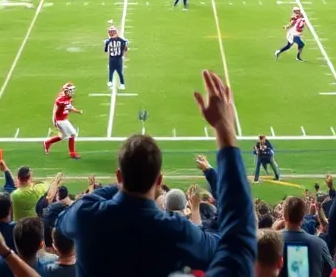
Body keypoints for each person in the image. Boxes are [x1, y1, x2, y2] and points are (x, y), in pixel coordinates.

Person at [57, 70, 256, 277]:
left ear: (119, 177)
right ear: (159, 181)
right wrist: (224, 129)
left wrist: (116, 188)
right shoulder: (177, 231)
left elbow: (63, 222)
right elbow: (236, 246)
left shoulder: (87, 215)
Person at [104, 24, 128, 90]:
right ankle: (110, 81)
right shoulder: (108, 41)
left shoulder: (121, 40)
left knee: (119, 72)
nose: (111, 33)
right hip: (111, 58)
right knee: (111, 71)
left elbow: (125, 47)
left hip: (118, 58)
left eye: (113, 32)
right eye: (110, 32)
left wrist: (123, 51)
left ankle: (122, 84)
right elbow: (105, 50)